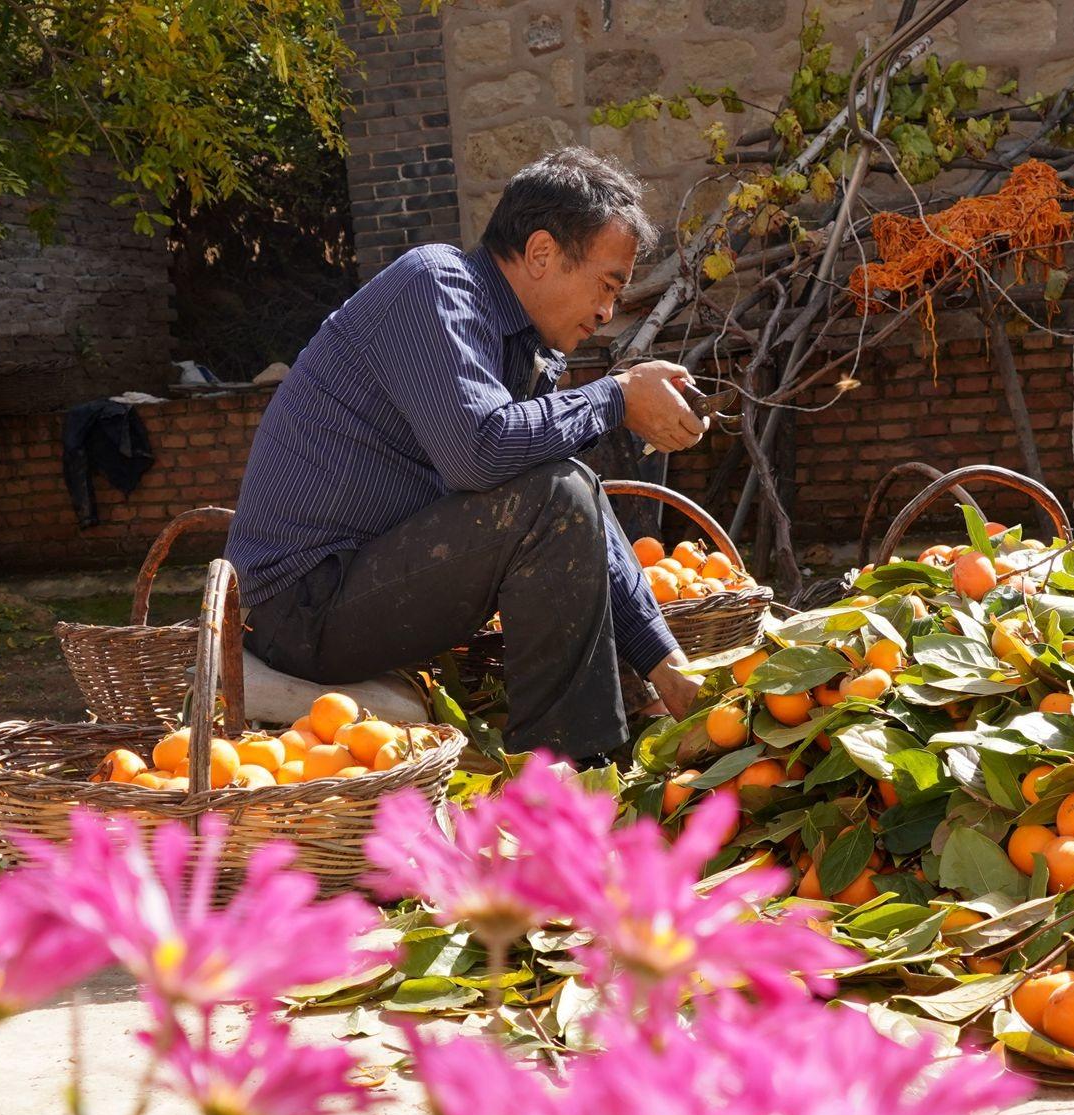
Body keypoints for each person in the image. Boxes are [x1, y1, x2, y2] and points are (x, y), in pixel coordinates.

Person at [224, 148, 711, 762]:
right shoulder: (435, 286)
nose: (607, 312)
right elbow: (479, 454)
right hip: (296, 606)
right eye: (607, 284)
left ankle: (625, 721)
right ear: (541, 254)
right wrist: (615, 396)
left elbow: (567, 488)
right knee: (555, 494)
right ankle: (568, 774)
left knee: (565, 486)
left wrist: (667, 665)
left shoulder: (524, 349)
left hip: (361, 583)